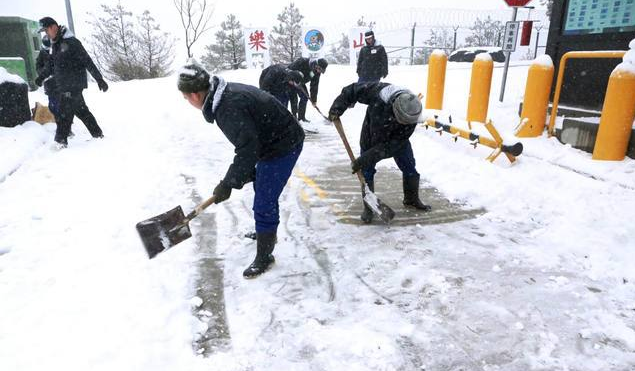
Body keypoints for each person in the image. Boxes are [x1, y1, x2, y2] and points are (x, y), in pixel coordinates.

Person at [178, 61, 305, 278]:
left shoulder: (228, 106)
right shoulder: (224, 96)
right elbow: (249, 144)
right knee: (261, 186)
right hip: (271, 141)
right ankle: (266, 232)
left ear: (195, 95)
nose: (186, 101)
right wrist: (237, 177)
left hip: (284, 145)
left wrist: (228, 183)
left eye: (185, 97)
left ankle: (265, 255)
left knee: (264, 199)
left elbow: (247, 149)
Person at [328, 82, 431, 223]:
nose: (406, 124)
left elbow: (393, 145)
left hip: (397, 140)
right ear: (395, 108)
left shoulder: (412, 114)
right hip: (371, 135)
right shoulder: (380, 93)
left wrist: (367, 158)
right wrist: (337, 107)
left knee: (409, 167)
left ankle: (411, 199)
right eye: (403, 120)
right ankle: (369, 208)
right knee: (367, 172)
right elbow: (352, 90)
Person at [38, 17, 108, 149]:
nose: (46, 34)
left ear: (53, 27)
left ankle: (60, 141)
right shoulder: (56, 43)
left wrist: (99, 79)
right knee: (81, 111)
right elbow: (51, 65)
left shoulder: (72, 42)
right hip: (64, 84)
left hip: (74, 84)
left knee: (64, 113)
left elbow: (87, 60)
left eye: (46, 30)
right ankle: (97, 134)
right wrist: (41, 77)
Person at [288, 57, 328, 122]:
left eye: (321, 70)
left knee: (304, 97)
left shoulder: (317, 72)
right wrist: (292, 81)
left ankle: (301, 117)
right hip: (290, 81)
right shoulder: (302, 61)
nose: (318, 71)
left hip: (300, 83)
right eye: (319, 69)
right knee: (294, 98)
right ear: (315, 64)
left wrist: (314, 100)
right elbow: (289, 70)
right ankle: (294, 117)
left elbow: (314, 86)